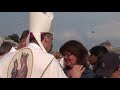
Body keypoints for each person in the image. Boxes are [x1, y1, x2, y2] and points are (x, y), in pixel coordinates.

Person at [0, 12, 83, 78]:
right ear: (46, 38)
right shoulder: (49, 61)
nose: (52, 43)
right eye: (51, 39)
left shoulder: (6, 58)